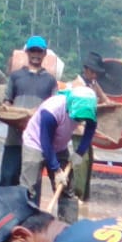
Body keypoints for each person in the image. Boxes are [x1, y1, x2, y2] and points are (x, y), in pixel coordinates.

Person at [19, 87, 98, 224]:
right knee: (28, 188)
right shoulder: (51, 110)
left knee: (67, 188)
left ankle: (68, 226)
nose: (80, 120)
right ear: (71, 106)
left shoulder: (89, 109)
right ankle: (25, 225)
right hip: (35, 143)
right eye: (78, 118)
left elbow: (90, 129)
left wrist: (79, 153)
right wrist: (56, 170)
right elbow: (45, 142)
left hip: (60, 146)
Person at [0, 35, 58, 187]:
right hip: (14, 139)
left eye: (39, 51)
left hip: (36, 141)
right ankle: (5, 210)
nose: (36, 55)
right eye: (33, 51)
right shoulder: (16, 76)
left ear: (44, 54)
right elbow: (7, 100)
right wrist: (7, 109)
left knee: (31, 186)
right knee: (8, 177)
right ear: (27, 52)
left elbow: (55, 107)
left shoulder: (50, 81)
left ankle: (28, 211)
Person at [67, 52, 108, 211]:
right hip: (78, 129)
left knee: (88, 162)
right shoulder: (78, 85)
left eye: (96, 72)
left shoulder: (92, 83)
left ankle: (84, 196)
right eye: (93, 72)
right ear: (86, 70)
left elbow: (104, 99)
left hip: (88, 129)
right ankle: (77, 196)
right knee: (80, 162)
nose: (95, 75)